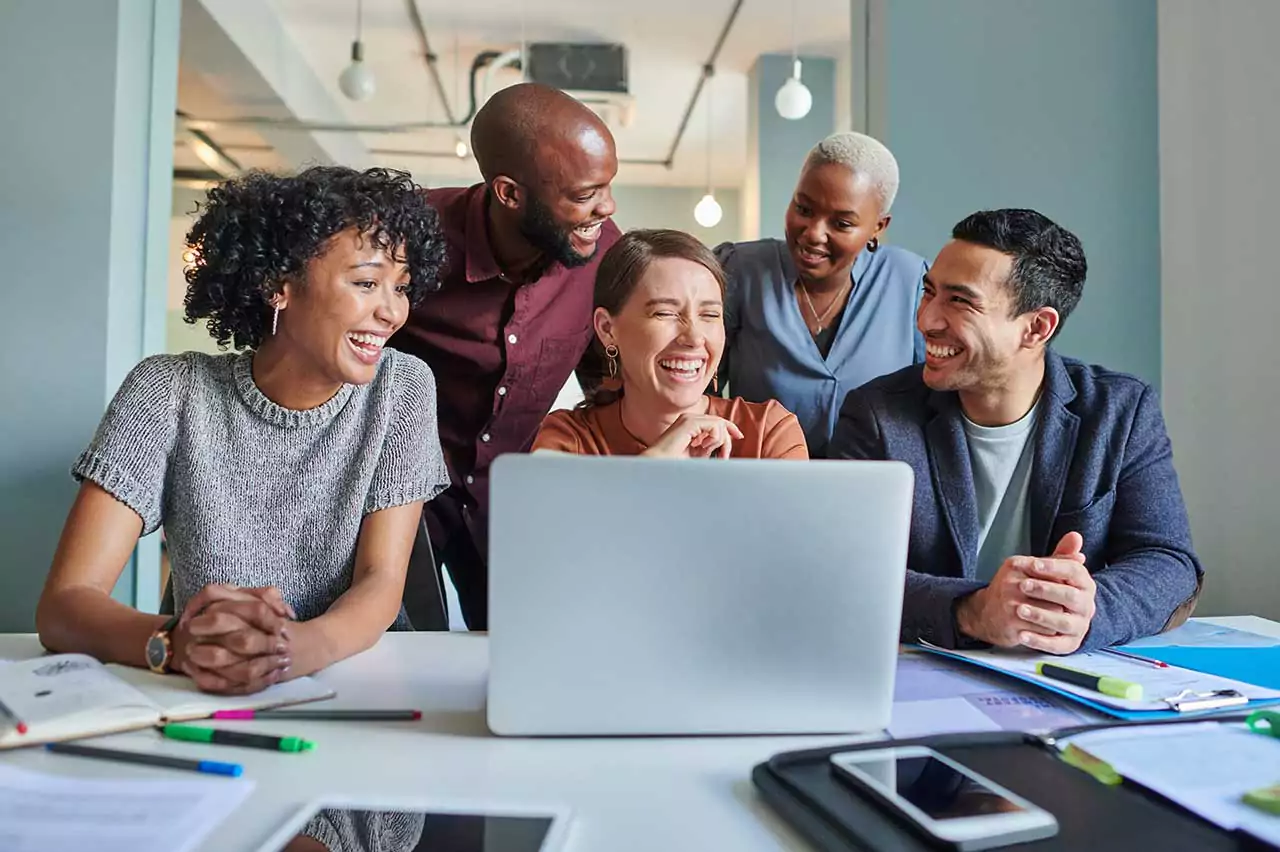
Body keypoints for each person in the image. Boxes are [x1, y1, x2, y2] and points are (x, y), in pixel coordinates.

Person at [36, 166, 450, 694]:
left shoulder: (402, 389)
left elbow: (382, 583)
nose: (392, 311)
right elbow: (65, 602)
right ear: (278, 285)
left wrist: (294, 650)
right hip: (205, 689)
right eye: (366, 283)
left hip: (360, 682)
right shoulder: (169, 391)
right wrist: (177, 643)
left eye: (402, 287)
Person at [829, 209, 1202, 653]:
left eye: (960, 301)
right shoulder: (876, 413)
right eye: (929, 293)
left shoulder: (1121, 411)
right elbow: (843, 568)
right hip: (927, 671)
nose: (927, 319)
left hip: (1066, 681)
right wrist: (972, 611)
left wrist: (1083, 610)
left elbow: (1168, 560)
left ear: (1036, 327)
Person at [389, 82, 622, 630]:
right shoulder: (412, 235)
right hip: (403, 501)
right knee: (398, 659)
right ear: (509, 193)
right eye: (585, 193)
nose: (606, 207)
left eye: (608, 186)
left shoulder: (602, 247)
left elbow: (606, 379)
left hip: (512, 502)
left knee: (530, 655)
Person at [716, 131, 927, 458]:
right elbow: (697, 393)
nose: (813, 233)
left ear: (878, 227)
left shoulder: (912, 283)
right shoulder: (741, 271)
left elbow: (934, 409)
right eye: (803, 208)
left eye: (841, 223)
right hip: (759, 488)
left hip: (871, 495)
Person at [534, 229, 808, 460]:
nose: (694, 338)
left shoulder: (768, 432)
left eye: (710, 315)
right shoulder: (568, 440)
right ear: (607, 329)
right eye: (664, 313)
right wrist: (656, 461)